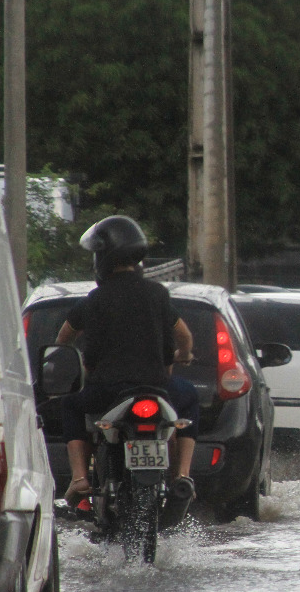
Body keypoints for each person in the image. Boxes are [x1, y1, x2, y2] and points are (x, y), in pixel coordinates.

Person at [58, 216, 201, 509]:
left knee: (70, 405)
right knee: (189, 398)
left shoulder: (93, 300)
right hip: (157, 389)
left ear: (102, 258)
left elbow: (63, 340)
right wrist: (184, 355)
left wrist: (67, 361)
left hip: (106, 392)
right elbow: (184, 337)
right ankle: (182, 475)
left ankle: (79, 478)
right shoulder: (158, 294)